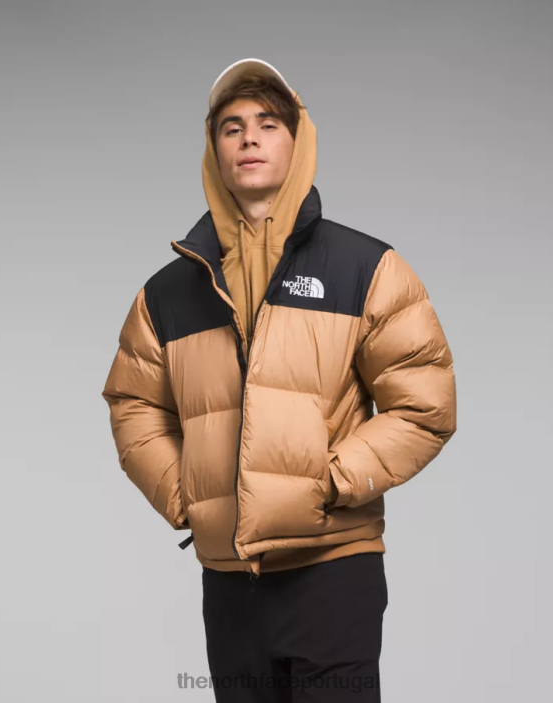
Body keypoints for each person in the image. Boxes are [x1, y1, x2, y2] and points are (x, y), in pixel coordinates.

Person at [102, 58, 457, 702]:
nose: (250, 139)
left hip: (334, 566)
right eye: (232, 127)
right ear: (214, 149)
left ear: (299, 142)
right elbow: (133, 402)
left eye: (268, 124)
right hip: (230, 580)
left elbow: (425, 403)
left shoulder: (366, 268)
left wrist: (330, 482)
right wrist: (188, 494)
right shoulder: (168, 292)